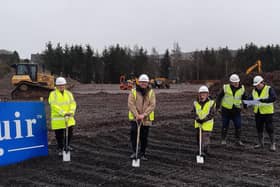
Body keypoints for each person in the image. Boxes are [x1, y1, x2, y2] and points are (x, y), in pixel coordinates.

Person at [128, 74, 156, 161]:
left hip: (146, 119)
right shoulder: (133, 91)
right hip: (135, 118)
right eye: (142, 82)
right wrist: (137, 115)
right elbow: (130, 104)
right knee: (134, 135)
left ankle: (142, 153)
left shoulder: (151, 92)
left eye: (145, 82)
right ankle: (134, 152)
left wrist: (144, 115)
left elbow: (152, 105)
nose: (143, 84)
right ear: (139, 82)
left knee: (144, 137)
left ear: (147, 83)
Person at [48, 77, 77, 156]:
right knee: (59, 135)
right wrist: (63, 113)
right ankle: (61, 148)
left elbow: (73, 103)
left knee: (70, 133)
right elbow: (54, 106)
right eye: (59, 85)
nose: (61, 87)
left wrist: (71, 111)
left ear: (65, 85)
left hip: (69, 118)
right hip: (58, 120)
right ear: (56, 86)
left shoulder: (69, 94)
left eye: (63, 85)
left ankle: (67, 145)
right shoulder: (53, 94)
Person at [216, 74, 247, 146]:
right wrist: (217, 107)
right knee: (225, 125)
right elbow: (219, 97)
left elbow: (244, 98)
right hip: (226, 110)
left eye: (237, 82)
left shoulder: (242, 88)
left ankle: (238, 140)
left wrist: (245, 107)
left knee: (238, 125)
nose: (236, 83)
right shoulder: (225, 87)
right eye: (234, 82)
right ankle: (223, 140)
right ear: (231, 82)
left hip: (236, 111)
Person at [251, 75, 277, 151]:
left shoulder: (269, 89)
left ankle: (272, 144)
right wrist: (247, 102)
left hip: (267, 113)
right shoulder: (254, 90)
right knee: (259, 128)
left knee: (269, 128)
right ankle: (260, 143)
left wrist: (263, 100)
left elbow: (274, 98)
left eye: (258, 85)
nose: (257, 86)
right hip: (258, 112)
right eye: (255, 85)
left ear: (262, 83)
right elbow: (252, 98)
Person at [192, 85, 216, 157]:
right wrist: (197, 118)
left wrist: (204, 120)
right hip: (198, 124)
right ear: (199, 94)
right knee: (198, 139)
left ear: (207, 94)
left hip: (207, 125)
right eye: (201, 93)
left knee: (205, 139)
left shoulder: (212, 103)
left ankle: (202, 151)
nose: (203, 95)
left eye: (204, 93)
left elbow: (212, 114)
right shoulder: (195, 103)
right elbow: (193, 112)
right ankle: (203, 150)